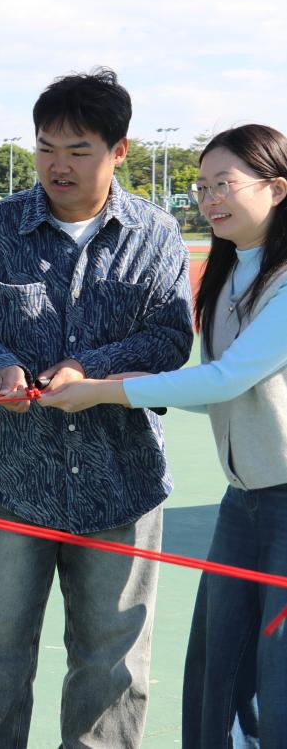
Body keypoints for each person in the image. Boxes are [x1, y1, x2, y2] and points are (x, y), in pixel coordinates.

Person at [0, 68, 194, 747]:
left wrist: (89, 370)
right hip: (11, 479)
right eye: (46, 147)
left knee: (112, 668)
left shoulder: (156, 234)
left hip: (123, 481)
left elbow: (169, 339)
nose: (58, 165)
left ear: (119, 151)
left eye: (79, 150)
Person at [38, 124, 287, 748]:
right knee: (218, 665)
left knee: (278, 674)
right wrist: (119, 383)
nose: (210, 200)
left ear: (278, 189)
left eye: (224, 184)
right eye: (201, 187)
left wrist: (104, 390)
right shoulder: (231, 274)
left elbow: (226, 379)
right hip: (244, 502)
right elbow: (224, 395)